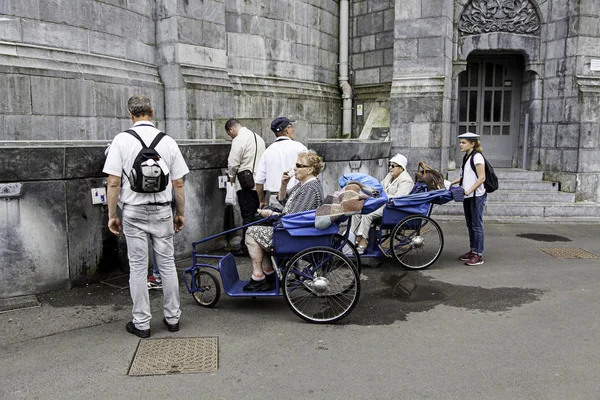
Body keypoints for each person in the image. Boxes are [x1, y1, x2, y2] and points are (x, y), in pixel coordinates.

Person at [103, 95, 189, 338]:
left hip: (133, 211)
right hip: (163, 211)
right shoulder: (168, 141)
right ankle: (173, 318)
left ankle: (141, 323)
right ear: (152, 112)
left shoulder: (121, 140)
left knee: (139, 268)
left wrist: (112, 215)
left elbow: (113, 182)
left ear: (130, 115)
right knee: (167, 265)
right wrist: (180, 213)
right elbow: (179, 183)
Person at [243, 150, 325, 291]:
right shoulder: (304, 185)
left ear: (310, 169)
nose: (295, 168)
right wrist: (283, 184)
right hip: (293, 230)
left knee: (251, 233)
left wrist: (271, 214)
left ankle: (258, 276)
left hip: (292, 235)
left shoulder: (310, 189)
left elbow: (294, 218)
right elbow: (283, 200)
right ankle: (268, 273)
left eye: (299, 165)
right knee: (258, 227)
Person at [351, 153, 414, 254]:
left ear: (401, 168)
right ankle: (351, 237)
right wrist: (365, 189)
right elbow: (379, 187)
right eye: (389, 165)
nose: (390, 168)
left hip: (393, 208)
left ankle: (362, 241)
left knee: (367, 214)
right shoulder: (389, 176)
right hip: (381, 204)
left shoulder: (406, 180)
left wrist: (381, 197)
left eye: (393, 166)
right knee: (358, 211)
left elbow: (399, 198)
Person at [225, 119, 266, 255]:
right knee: (256, 215)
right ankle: (257, 245)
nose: (231, 136)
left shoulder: (238, 139)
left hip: (246, 184)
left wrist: (231, 178)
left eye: (229, 134)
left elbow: (233, 162)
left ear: (231, 129)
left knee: (247, 216)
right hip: (259, 183)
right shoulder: (259, 138)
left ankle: (248, 248)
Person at [255, 117, 308, 210]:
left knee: (278, 222)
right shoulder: (300, 147)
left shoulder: (267, 151)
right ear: (287, 130)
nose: (293, 129)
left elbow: (259, 182)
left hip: (275, 198)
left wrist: (262, 200)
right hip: (297, 196)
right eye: (291, 126)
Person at [451, 132, 487, 266]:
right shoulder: (466, 157)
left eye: (463, 142)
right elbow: (463, 177)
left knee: (477, 226)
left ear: (473, 144)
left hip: (476, 196)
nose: (460, 145)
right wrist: (450, 183)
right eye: (460, 142)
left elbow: (482, 177)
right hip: (468, 196)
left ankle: (479, 255)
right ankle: (473, 251)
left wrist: (469, 190)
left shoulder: (477, 157)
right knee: (470, 224)